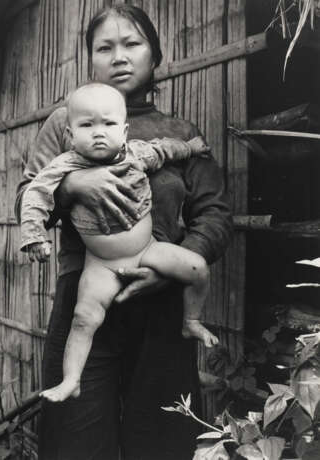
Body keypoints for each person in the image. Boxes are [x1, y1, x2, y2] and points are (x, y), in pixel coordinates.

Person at [15, 5, 233, 460]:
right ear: (90, 60)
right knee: (74, 440)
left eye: (132, 44)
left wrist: (173, 266)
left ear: (153, 54)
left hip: (163, 307)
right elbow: (26, 198)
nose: (119, 57)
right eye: (104, 48)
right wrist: (73, 185)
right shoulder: (64, 123)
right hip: (86, 297)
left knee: (162, 443)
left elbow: (214, 215)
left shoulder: (178, 132)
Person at [19, 82, 219, 403]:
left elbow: (167, 148)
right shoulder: (66, 165)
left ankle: (191, 320)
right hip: (100, 264)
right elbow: (34, 195)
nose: (99, 132)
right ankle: (72, 379)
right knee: (84, 319)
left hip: (148, 249)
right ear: (70, 135)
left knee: (197, 268)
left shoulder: (135, 153)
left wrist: (192, 148)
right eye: (87, 125)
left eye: (108, 124)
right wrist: (33, 235)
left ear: (123, 131)